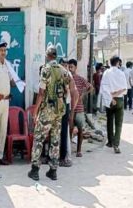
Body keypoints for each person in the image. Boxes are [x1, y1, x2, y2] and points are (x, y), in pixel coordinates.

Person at [28, 45, 71, 181]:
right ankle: (53, 171)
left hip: (47, 110)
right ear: (56, 56)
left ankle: (35, 170)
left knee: (39, 138)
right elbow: (67, 89)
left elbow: (41, 93)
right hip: (59, 111)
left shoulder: (46, 69)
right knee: (55, 140)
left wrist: (35, 111)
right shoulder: (64, 70)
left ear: (47, 55)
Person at [0, 39, 14, 167]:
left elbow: (11, 81)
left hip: (6, 101)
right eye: (1, 50)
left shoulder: (7, 65)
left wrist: (19, 82)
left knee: (3, 130)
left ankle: (0, 156)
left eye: (5, 50)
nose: (3, 52)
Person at [100, 56, 127, 153]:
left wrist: (111, 97)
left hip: (109, 100)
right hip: (119, 100)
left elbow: (103, 88)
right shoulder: (121, 73)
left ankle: (110, 142)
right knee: (118, 123)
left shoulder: (106, 73)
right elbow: (124, 89)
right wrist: (115, 96)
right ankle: (116, 145)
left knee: (109, 121)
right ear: (117, 63)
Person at [68, 59, 93, 158]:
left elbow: (90, 87)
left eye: (72, 67)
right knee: (69, 129)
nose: (70, 69)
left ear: (75, 68)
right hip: (69, 108)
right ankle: (68, 149)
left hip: (79, 109)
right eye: (69, 67)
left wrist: (83, 95)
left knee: (80, 130)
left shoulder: (79, 78)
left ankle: (78, 150)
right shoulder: (67, 78)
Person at [58, 58, 78, 167]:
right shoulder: (56, 73)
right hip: (56, 107)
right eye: (63, 65)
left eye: (66, 65)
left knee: (63, 132)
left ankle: (63, 157)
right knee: (56, 132)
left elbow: (75, 93)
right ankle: (56, 157)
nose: (64, 67)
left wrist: (72, 112)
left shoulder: (68, 75)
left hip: (64, 106)